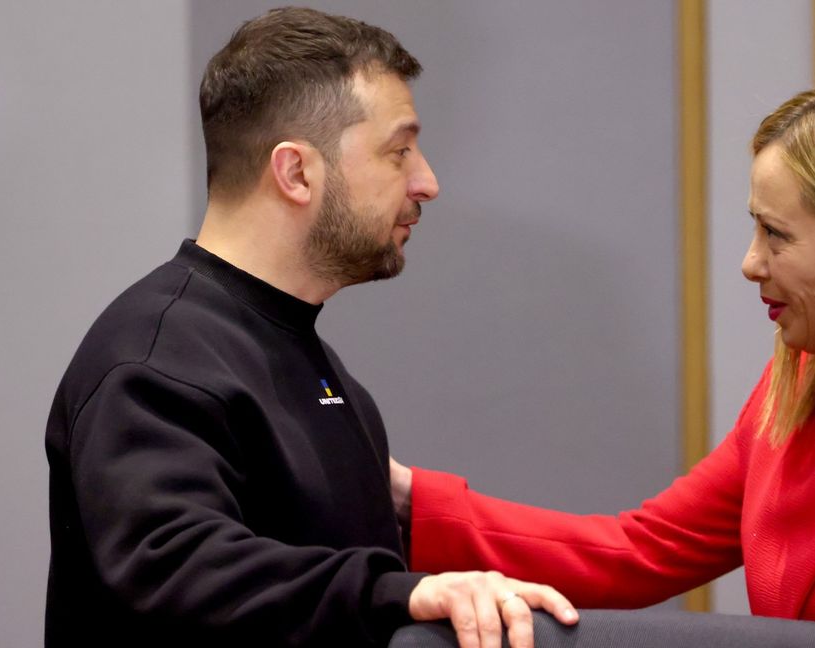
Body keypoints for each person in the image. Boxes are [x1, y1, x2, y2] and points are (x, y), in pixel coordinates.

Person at [392, 83, 815, 647]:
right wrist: (409, 499)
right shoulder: (800, 386)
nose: (750, 263)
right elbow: (640, 552)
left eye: (777, 235)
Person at [44, 8, 576, 648]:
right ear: (296, 172)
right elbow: (173, 567)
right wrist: (400, 592)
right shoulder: (156, 359)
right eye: (398, 151)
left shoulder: (310, 361)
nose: (426, 182)